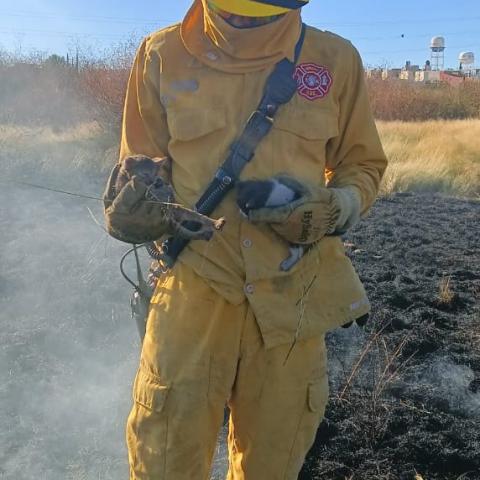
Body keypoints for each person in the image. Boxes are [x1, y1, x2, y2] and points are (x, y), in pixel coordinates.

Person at [105, 0, 387, 478]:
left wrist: (337, 207)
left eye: (258, 12)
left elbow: (363, 165)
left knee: (272, 465)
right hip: (192, 293)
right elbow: (141, 162)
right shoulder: (160, 54)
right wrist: (137, 206)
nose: (243, 21)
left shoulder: (334, 60)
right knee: (164, 460)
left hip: (291, 300)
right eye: (233, 9)